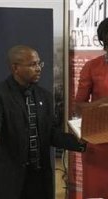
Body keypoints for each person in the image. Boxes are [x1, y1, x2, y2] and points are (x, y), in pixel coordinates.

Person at [0, 45, 86, 199]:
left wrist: (82, 142)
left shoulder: (45, 96)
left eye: (39, 63)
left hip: (39, 181)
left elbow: (51, 134)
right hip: (8, 181)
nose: (38, 68)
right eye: (32, 64)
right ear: (15, 68)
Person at [75, 18, 108, 199]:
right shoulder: (92, 67)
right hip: (98, 144)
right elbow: (78, 107)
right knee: (96, 193)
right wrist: (103, 103)